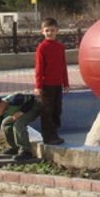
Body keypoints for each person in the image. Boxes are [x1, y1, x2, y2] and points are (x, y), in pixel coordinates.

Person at [34, 17, 69, 145]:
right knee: (47, 111)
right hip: (46, 85)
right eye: (47, 30)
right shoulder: (42, 48)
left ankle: (55, 133)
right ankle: (48, 137)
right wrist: (38, 86)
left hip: (57, 85)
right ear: (42, 32)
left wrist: (65, 83)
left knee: (57, 110)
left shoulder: (60, 47)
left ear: (57, 31)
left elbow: (63, 66)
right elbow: (39, 69)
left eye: (52, 30)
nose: (50, 33)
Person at [0, 92, 41, 160]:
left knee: (18, 124)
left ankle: (26, 151)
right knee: (6, 123)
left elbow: (31, 99)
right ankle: (15, 148)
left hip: (33, 108)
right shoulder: (0, 112)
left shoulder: (14, 99)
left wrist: (21, 112)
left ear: (0, 105)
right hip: (19, 113)